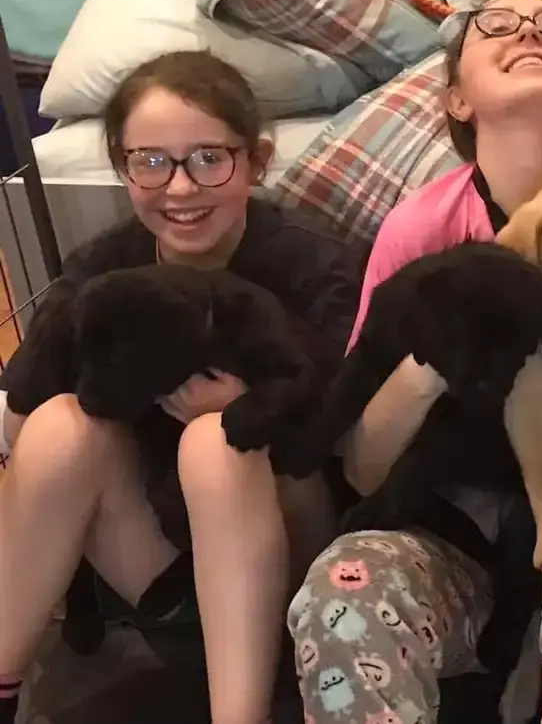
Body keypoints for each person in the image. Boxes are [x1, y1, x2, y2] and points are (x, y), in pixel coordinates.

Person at [287, 0, 542, 724]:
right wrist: (432, 362)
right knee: (341, 588)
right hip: (461, 531)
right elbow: (363, 469)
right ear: (456, 96)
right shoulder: (421, 228)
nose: (530, 32)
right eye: (496, 27)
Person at [0, 50, 360, 724]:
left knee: (215, 441)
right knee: (57, 424)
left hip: (293, 560)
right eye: (151, 161)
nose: (180, 188)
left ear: (255, 160)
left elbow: (350, 434)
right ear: (122, 165)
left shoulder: (315, 265)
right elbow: (21, 406)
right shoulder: (106, 265)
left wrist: (247, 411)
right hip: (156, 557)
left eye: (208, 158)